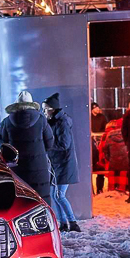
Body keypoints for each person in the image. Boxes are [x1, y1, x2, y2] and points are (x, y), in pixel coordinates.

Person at [0, 91, 54, 200]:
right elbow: (49, 142)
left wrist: (7, 150)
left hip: (17, 166)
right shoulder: (41, 120)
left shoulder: (8, 121)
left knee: (22, 199)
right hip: (39, 166)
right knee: (41, 199)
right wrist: (40, 152)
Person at [44, 93, 80, 233]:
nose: (44, 111)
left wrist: (47, 146)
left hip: (64, 164)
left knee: (59, 195)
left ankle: (73, 223)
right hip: (57, 164)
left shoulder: (62, 122)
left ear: (52, 109)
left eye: (45, 108)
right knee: (55, 195)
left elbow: (64, 144)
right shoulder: (54, 122)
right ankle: (63, 223)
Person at [99, 117, 128, 193]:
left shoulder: (109, 135)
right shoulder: (127, 136)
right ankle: (122, 189)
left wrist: (109, 158)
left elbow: (105, 149)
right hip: (125, 161)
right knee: (123, 173)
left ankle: (111, 189)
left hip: (112, 161)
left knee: (112, 174)